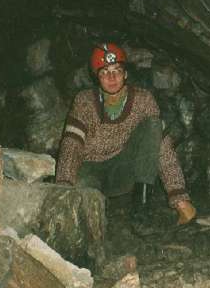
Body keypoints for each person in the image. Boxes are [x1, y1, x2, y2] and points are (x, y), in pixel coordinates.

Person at [55, 42, 197, 225]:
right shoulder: (85, 101)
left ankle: (141, 212)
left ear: (126, 74)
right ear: (97, 77)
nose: (112, 77)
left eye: (117, 70)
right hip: (90, 170)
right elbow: (71, 144)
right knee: (80, 207)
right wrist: (63, 186)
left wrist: (179, 197)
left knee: (154, 125)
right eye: (105, 72)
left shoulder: (143, 100)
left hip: (123, 170)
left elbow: (161, 146)